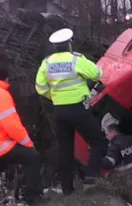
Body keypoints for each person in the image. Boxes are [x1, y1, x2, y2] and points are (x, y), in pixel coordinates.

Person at [35, 28, 107, 195]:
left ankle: (67, 188)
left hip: (59, 111)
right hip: (79, 109)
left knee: (65, 148)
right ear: (69, 44)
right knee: (97, 141)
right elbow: (97, 73)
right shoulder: (76, 59)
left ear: (54, 47)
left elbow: (40, 88)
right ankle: (91, 177)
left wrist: (54, 97)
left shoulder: (46, 63)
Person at [0, 67, 47, 206]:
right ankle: (33, 197)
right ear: (4, 79)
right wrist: (28, 143)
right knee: (32, 157)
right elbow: (12, 125)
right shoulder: (0, 95)